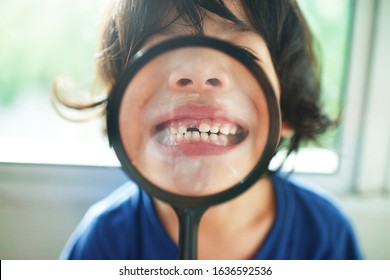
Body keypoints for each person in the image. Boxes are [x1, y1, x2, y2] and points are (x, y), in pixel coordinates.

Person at [60, 0, 363, 259]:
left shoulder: (324, 236)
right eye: (162, 51)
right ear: (121, 110)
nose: (198, 74)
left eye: (244, 57)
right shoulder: (103, 243)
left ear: (286, 110)